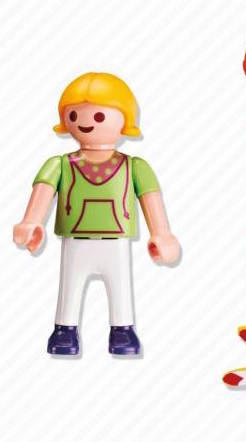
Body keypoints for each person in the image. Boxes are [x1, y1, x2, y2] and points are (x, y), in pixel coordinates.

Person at [13, 72, 180, 356]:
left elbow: (150, 199)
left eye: (100, 116)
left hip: (115, 242)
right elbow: (43, 192)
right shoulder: (60, 164)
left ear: (124, 119)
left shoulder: (134, 167)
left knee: (120, 286)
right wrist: (30, 222)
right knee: (70, 286)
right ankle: (64, 329)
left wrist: (162, 234)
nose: (86, 122)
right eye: (74, 115)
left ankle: (123, 329)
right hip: (76, 240)